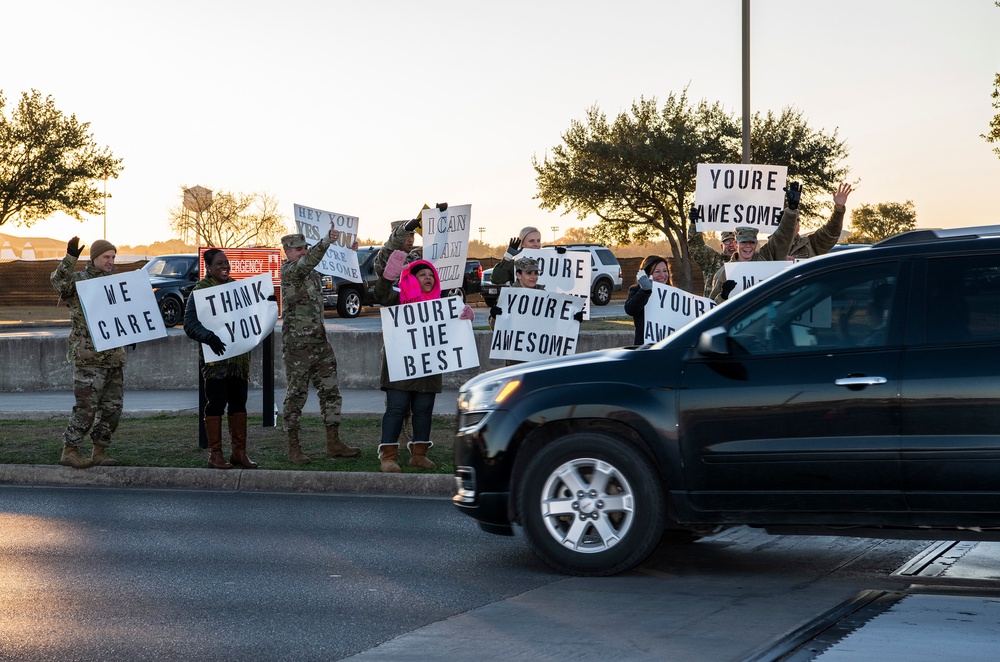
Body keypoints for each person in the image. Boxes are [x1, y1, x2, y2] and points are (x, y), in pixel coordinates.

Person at [374, 252, 475, 472]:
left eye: (431, 275)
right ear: (412, 277)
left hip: (428, 368)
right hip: (401, 366)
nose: (428, 278)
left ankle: (419, 455)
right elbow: (381, 295)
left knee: (424, 410)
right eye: (422, 274)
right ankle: (388, 456)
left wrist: (465, 317)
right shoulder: (398, 298)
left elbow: (454, 330)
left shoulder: (442, 304)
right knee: (396, 408)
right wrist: (388, 276)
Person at [280, 229, 360, 465]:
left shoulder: (312, 273)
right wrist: (326, 241)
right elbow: (310, 260)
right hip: (298, 348)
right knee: (296, 396)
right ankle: (293, 446)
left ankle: (333, 442)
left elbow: (333, 266)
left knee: (331, 392)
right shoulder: (290, 271)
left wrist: (348, 253)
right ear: (287, 252)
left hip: (320, 343)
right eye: (298, 249)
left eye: (305, 247)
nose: (303, 251)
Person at [50, 237, 126, 469]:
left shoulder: (116, 283)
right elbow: (58, 283)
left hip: (113, 356)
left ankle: (99, 451)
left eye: (113, 257)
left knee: (113, 408)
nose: (110, 261)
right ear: (94, 258)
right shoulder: (80, 282)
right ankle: (70, 450)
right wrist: (70, 258)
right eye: (106, 257)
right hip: (88, 357)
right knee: (86, 408)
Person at [183, 248, 257, 470]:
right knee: (216, 404)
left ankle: (239, 453)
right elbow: (189, 323)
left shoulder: (237, 288)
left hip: (238, 361)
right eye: (219, 264)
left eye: (227, 263)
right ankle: (215, 455)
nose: (225, 267)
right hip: (216, 362)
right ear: (208, 267)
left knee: (239, 404)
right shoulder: (200, 291)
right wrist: (208, 337)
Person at [708, 183, 801, 303]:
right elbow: (711, 307)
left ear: (756, 244)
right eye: (744, 242)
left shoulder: (765, 258)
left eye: (751, 243)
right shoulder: (724, 273)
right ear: (736, 244)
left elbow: (782, 238)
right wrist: (723, 296)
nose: (748, 246)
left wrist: (791, 211)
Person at [788, 183, 853, 259]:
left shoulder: (810, 245)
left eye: (795, 221)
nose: (790, 225)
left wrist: (838, 209)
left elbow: (830, 233)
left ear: (798, 227)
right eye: (786, 221)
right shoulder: (771, 246)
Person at [687, 211, 736, 298]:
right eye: (727, 241)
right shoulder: (712, 260)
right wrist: (695, 224)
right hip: (713, 308)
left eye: (734, 241)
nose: (731, 244)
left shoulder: (748, 262)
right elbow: (696, 246)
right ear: (722, 246)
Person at [624, 255, 670, 345]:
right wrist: (645, 291)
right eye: (657, 272)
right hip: (645, 347)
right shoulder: (636, 290)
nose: (662, 275)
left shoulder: (674, 294)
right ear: (647, 274)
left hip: (668, 347)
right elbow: (630, 309)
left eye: (665, 271)